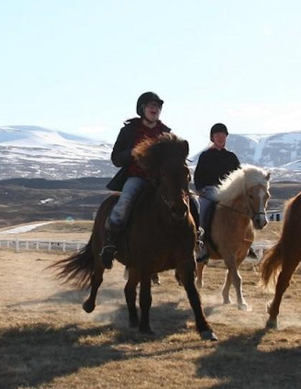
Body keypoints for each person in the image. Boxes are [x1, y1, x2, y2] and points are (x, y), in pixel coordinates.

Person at [101, 92, 201, 269]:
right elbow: (116, 158)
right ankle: (110, 242)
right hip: (137, 177)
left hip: (163, 181)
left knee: (192, 202)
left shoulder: (167, 133)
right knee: (125, 200)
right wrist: (130, 153)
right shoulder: (128, 131)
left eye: (157, 106)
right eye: (150, 106)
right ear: (142, 109)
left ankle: (195, 240)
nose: (154, 109)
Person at [193, 123, 241, 262]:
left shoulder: (231, 157)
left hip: (229, 193)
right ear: (212, 138)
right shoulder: (205, 156)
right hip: (209, 191)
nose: (220, 138)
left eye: (222, 135)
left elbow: (239, 176)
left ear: (226, 137)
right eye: (217, 135)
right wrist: (200, 189)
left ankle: (245, 241)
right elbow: (198, 176)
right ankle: (200, 243)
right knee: (202, 210)